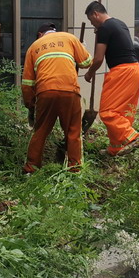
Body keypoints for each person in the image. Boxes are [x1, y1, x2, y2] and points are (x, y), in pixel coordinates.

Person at [21, 23, 92, 173]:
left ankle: (31, 168)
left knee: (40, 131)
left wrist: (30, 104)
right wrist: (82, 48)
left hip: (45, 92)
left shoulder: (34, 47)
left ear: (40, 35)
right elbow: (86, 62)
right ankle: (75, 168)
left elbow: (27, 83)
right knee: (73, 131)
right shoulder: (70, 38)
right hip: (70, 91)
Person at [83, 1, 139, 156]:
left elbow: (98, 58)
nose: (92, 25)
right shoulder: (119, 23)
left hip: (122, 72)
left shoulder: (105, 28)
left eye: (91, 20)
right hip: (135, 70)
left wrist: (89, 73)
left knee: (107, 111)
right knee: (122, 113)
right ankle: (116, 147)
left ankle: (131, 137)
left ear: (95, 14)